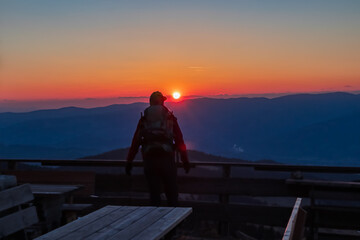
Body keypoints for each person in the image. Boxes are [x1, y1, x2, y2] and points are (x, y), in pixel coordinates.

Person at [126, 91, 190, 207]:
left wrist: (129, 161)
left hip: (150, 161)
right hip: (167, 160)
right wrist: (185, 160)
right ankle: (173, 221)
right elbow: (179, 139)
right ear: (161, 101)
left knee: (154, 195)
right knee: (171, 194)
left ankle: (156, 222)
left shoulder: (144, 119)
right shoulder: (169, 117)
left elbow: (135, 141)